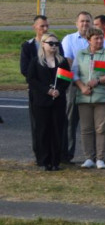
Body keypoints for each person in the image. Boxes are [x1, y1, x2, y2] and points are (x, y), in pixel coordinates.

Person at [73, 27, 105, 169]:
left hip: (102, 97)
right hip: (84, 96)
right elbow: (74, 73)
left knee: (101, 128)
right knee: (86, 128)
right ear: (89, 40)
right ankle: (89, 158)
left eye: (101, 38)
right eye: (96, 38)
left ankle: (100, 158)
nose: (99, 41)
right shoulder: (80, 54)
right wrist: (81, 86)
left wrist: (99, 80)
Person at [21, 15, 64, 161]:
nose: (45, 28)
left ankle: (56, 157)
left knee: (56, 127)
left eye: (47, 26)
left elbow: (63, 72)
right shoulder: (28, 46)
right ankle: (41, 156)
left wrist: (57, 88)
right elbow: (26, 71)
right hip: (38, 93)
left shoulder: (56, 45)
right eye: (42, 26)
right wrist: (44, 87)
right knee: (39, 127)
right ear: (35, 27)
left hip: (56, 94)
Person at [26, 33, 71, 170]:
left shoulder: (62, 61)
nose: (53, 46)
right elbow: (31, 80)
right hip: (41, 102)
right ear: (43, 44)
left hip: (58, 102)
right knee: (43, 131)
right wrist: (47, 90)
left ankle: (55, 161)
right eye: (50, 43)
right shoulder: (36, 61)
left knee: (57, 130)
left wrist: (59, 90)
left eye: (56, 44)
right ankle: (44, 161)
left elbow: (66, 79)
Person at [61, 11, 93, 163]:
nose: (85, 24)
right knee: (70, 121)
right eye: (82, 21)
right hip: (74, 85)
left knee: (92, 123)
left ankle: (94, 156)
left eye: (87, 21)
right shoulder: (69, 40)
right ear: (76, 23)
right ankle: (67, 154)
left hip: (94, 86)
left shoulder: (98, 39)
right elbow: (68, 63)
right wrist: (80, 84)